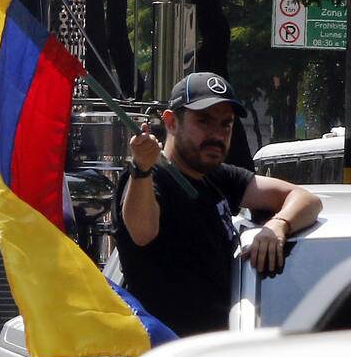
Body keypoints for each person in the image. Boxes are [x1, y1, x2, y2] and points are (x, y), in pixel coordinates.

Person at [115, 72, 322, 339]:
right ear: (171, 122)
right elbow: (142, 232)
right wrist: (141, 169)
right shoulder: (147, 180)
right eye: (204, 121)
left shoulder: (219, 177)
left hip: (229, 351)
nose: (217, 134)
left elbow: (306, 200)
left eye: (226, 124)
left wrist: (277, 226)